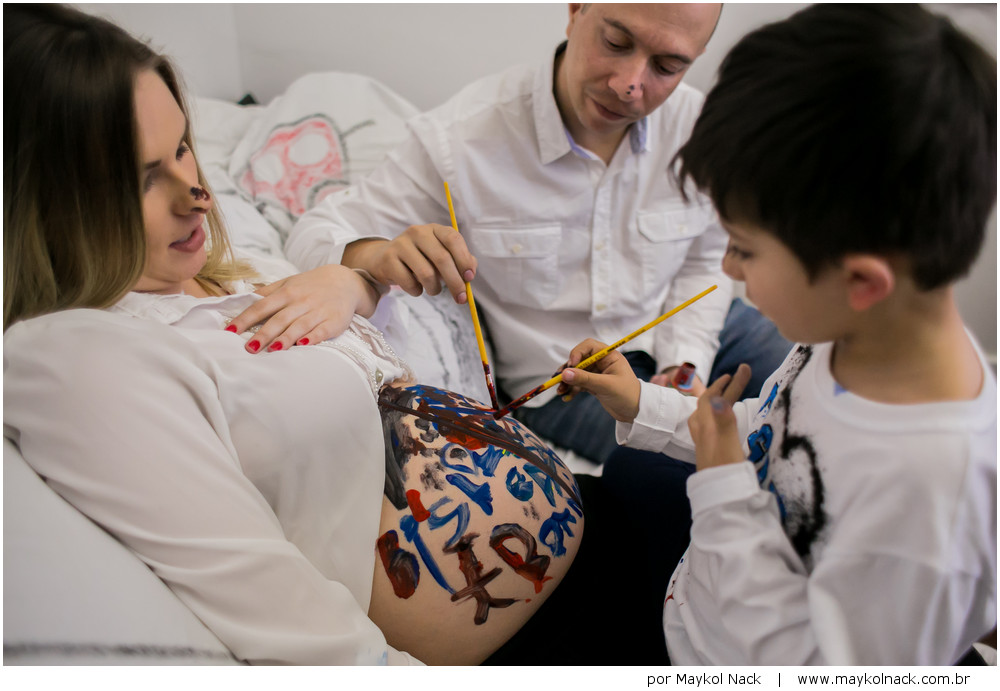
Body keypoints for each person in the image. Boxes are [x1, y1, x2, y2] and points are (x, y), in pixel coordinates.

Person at [4, 3, 603, 666]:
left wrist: (359, 278)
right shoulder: (77, 358)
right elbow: (276, 606)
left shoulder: (214, 274)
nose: (197, 193)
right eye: (143, 180)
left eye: (182, 148)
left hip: (574, 538)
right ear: (43, 211)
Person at [556, 4, 997, 665]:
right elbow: (776, 438)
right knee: (621, 479)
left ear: (861, 279)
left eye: (744, 250)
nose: (728, 269)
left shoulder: (929, 505)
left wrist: (724, 487)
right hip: (704, 593)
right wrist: (645, 403)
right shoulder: (847, 336)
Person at [285, 3, 792, 466]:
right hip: (567, 383)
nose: (629, 84)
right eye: (616, 43)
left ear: (696, 57)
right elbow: (315, 229)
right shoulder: (461, 140)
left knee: (813, 391)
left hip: (691, 326)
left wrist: (685, 366)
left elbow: (704, 260)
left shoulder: (700, 129)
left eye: (667, 67)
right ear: (575, 10)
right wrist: (375, 256)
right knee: (699, 470)